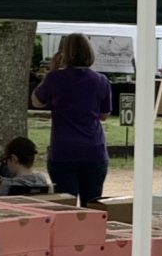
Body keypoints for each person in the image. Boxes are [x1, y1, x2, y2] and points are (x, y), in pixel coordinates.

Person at [35, 34, 115, 205]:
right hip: (94, 150)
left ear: (64, 54)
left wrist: (51, 72)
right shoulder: (101, 80)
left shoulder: (55, 78)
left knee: (65, 207)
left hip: (63, 151)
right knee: (93, 205)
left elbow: (37, 101)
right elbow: (104, 115)